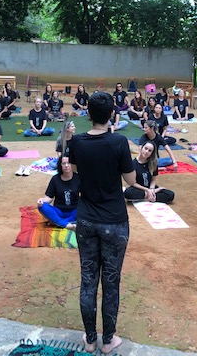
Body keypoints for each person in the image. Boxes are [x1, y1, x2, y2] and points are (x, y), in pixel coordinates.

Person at [68, 91, 136, 354]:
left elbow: (74, 172)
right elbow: (130, 181)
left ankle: (90, 338)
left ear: (87, 113)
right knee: (111, 281)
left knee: (88, 280)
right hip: (114, 221)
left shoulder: (78, 143)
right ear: (111, 115)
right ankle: (108, 340)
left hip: (86, 219)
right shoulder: (119, 142)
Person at [37, 156, 80, 230]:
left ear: (72, 164)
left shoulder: (78, 178)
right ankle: (67, 224)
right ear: (60, 165)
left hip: (74, 211)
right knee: (42, 206)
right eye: (64, 163)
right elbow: (49, 197)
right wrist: (41, 201)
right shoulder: (55, 179)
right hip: (59, 211)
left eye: (68, 163)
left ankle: (58, 222)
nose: (66, 165)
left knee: (86, 208)